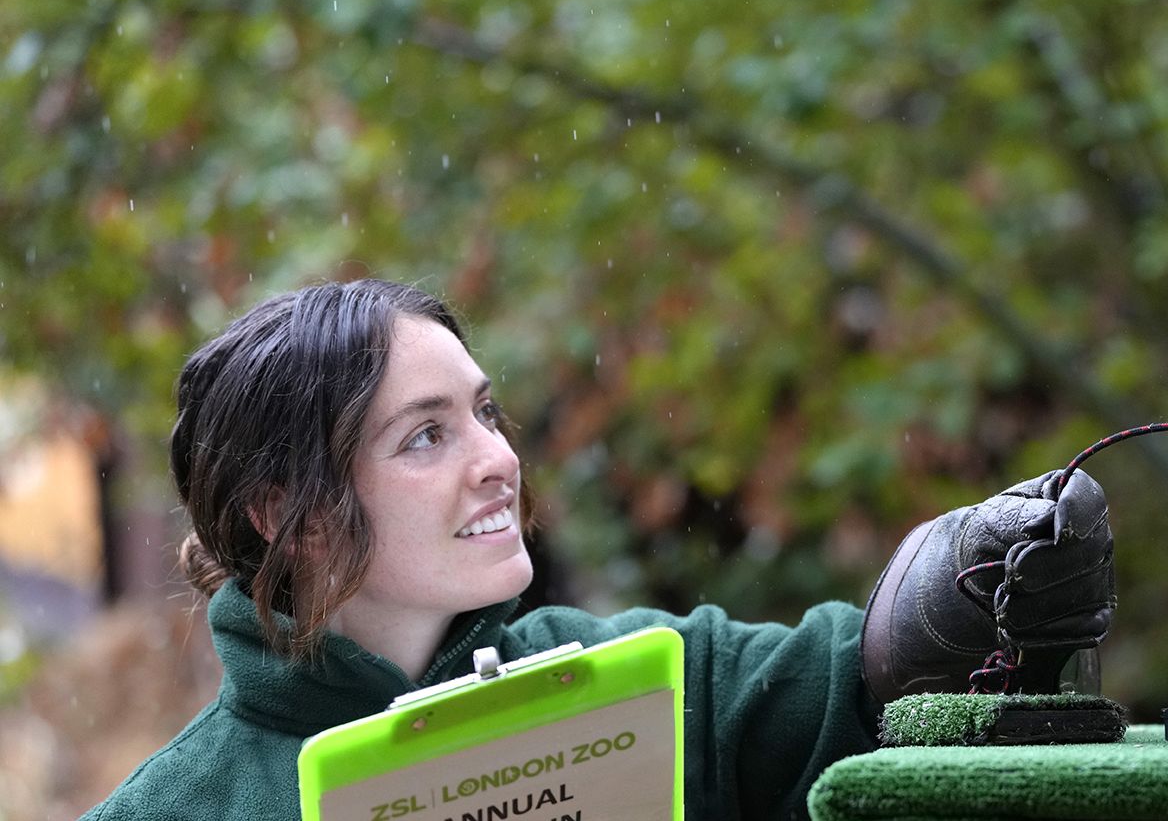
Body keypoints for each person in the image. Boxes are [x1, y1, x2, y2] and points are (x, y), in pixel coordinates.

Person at [81, 279, 1115, 820]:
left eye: (486, 412)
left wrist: (975, 584)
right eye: (426, 434)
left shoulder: (638, 686)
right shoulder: (175, 811)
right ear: (284, 513)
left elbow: (867, 685)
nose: (497, 458)